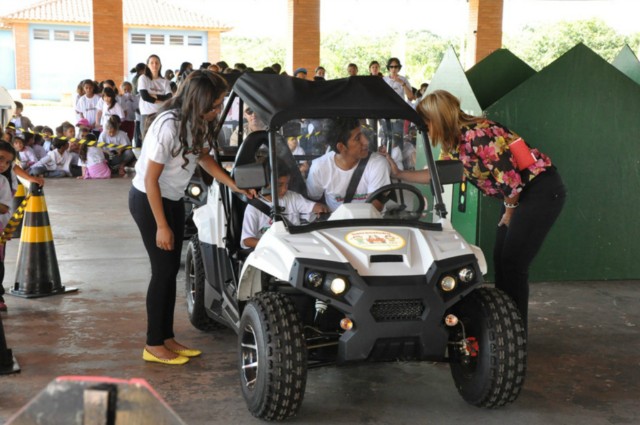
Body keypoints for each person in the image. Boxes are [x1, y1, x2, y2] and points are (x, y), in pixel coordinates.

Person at [389, 90, 566, 327]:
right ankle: (505, 322)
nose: (425, 129)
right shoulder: (452, 142)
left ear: (438, 118)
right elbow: (438, 173)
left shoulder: (477, 134)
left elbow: (511, 180)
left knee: (514, 262)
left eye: (427, 123)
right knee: (501, 259)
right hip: (519, 194)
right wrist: (401, 174)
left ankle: (514, 328)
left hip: (540, 190)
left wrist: (509, 211)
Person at [128, 70, 255, 365]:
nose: (218, 110)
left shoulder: (194, 123)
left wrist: (233, 183)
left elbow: (204, 158)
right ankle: (153, 344)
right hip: (149, 201)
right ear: (199, 102)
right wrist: (161, 226)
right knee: (162, 272)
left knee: (171, 270)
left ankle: (166, 337)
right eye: (216, 105)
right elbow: (149, 180)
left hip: (170, 198)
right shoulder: (168, 126)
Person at [306, 117, 390, 212]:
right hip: (335, 225)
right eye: (358, 138)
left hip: (368, 224)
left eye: (363, 134)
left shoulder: (378, 163)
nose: (366, 141)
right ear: (341, 147)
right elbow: (313, 199)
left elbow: (375, 208)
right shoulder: (319, 167)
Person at [241, 161, 327, 249]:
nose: (285, 189)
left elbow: (313, 207)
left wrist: (320, 209)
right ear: (265, 183)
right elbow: (247, 240)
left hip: (296, 246)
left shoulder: (292, 197)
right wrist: (274, 245)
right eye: (279, 185)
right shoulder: (254, 208)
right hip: (271, 250)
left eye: (287, 184)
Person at [0, 141, 17, 312]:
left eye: (7, 162)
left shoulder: (3, 181)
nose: (3, 165)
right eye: (0, 159)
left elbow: (4, 207)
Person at [138, 54, 173, 137]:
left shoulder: (164, 81)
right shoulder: (143, 78)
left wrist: (156, 96)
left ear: (160, 65)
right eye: (152, 63)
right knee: (146, 139)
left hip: (161, 114)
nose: (155, 65)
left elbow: (169, 96)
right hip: (147, 114)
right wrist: (162, 98)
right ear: (147, 65)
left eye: (157, 63)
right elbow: (145, 97)